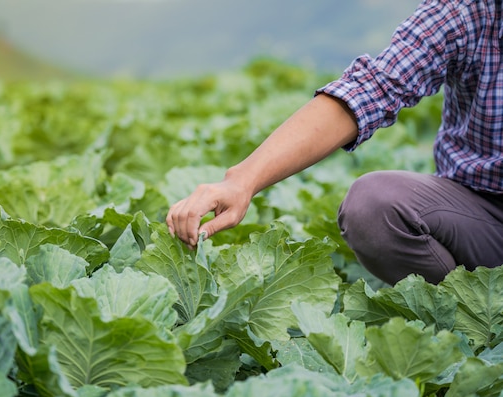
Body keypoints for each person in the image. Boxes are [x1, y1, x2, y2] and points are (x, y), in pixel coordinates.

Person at [166, 0, 503, 286]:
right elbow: (373, 87)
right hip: (482, 214)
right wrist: (241, 181)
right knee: (374, 205)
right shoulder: (469, 11)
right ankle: (469, 323)